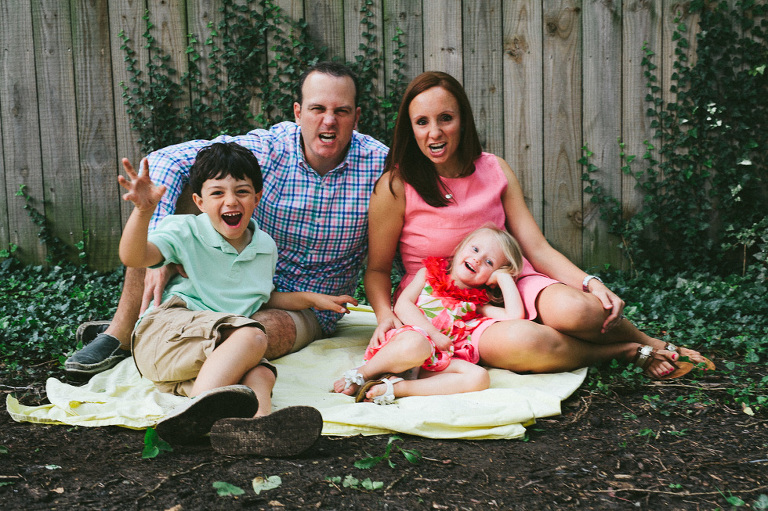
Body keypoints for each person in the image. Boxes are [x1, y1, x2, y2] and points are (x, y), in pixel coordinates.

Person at [364, 71, 714, 381]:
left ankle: (652, 343)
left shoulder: (494, 169)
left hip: (510, 280)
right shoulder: (395, 186)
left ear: (463, 121)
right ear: (410, 129)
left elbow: (537, 247)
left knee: (579, 309)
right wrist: (385, 316)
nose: (435, 132)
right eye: (422, 122)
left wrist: (591, 283)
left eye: (446, 118)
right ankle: (622, 352)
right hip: (440, 302)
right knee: (528, 342)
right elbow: (377, 270)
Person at [65, 61, 389, 380]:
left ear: (356, 117)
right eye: (317, 109)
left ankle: (168, 349)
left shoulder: (381, 166)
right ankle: (121, 333)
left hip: (306, 305)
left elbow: (412, 227)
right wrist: (157, 248)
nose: (329, 121)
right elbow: (166, 160)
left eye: (341, 111)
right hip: (232, 280)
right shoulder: (269, 149)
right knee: (162, 215)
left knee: (254, 335)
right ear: (298, 112)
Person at [119, 142, 352, 455]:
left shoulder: (265, 247)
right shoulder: (185, 230)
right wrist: (143, 212)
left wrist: (313, 299)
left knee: (260, 372)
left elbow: (260, 297)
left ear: (257, 197)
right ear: (199, 201)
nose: (231, 200)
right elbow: (133, 257)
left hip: (204, 353)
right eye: (217, 193)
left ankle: (258, 426)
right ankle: (197, 410)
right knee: (253, 336)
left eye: (242, 191)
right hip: (165, 334)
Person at [334, 226, 526, 404]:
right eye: (475, 249)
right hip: (403, 347)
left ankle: (399, 387)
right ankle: (364, 373)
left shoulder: (476, 303)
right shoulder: (428, 275)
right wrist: (433, 334)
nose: (477, 259)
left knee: (479, 377)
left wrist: (503, 278)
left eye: (489, 262)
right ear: (461, 247)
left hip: (433, 361)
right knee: (418, 344)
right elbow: (403, 306)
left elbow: (514, 316)